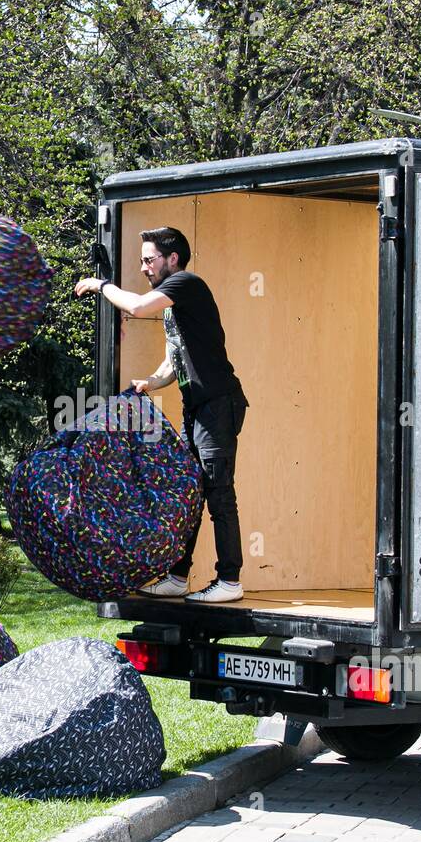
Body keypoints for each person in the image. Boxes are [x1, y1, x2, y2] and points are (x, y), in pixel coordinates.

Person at [74, 226, 248, 603]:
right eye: (141, 261)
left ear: (172, 259)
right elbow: (175, 360)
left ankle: (230, 580)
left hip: (218, 406)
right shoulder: (174, 305)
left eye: (149, 260)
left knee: (219, 493)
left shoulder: (186, 283)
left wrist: (102, 285)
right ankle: (178, 575)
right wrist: (151, 383)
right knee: (188, 490)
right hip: (196, 408)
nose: (144, 267)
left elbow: (136, 307)